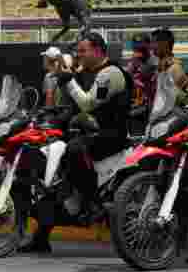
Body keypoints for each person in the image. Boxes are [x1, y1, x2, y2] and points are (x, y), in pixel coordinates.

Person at [22, 32, 132, 254]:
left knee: (72, 151)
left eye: (83, 50)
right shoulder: (84, 72)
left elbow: (88, 103)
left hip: (109, 136)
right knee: (52, 166)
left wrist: (68, 81)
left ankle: (91, 202)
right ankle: (41, 236)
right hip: (84, 131)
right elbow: (72, 105)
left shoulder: (110, 73)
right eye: (78, 51)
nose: (79, 55)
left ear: (98, 50)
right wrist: (49, 119)